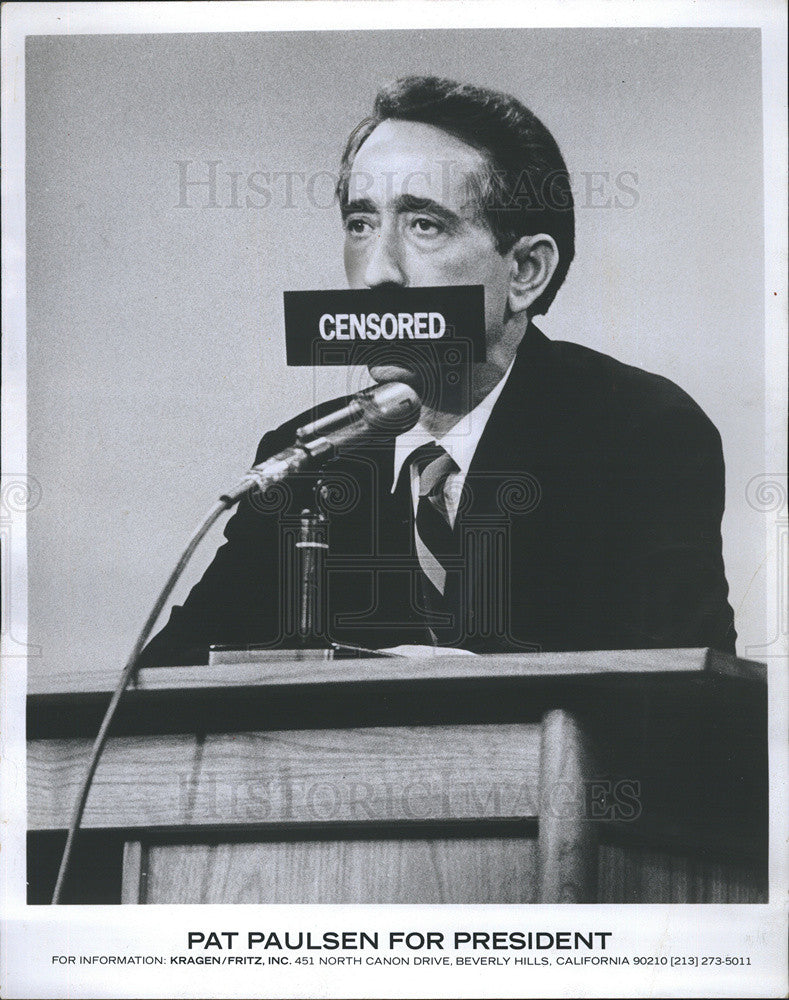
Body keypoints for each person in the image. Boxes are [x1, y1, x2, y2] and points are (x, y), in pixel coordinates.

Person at [140, 76, 736, 666]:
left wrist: (461, 684)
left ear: (526, 270)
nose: (378, 273)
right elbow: (171, 678)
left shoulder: (641, 433)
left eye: (424, 224)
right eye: (360, 224)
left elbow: (684, 700)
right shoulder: (311, 455)